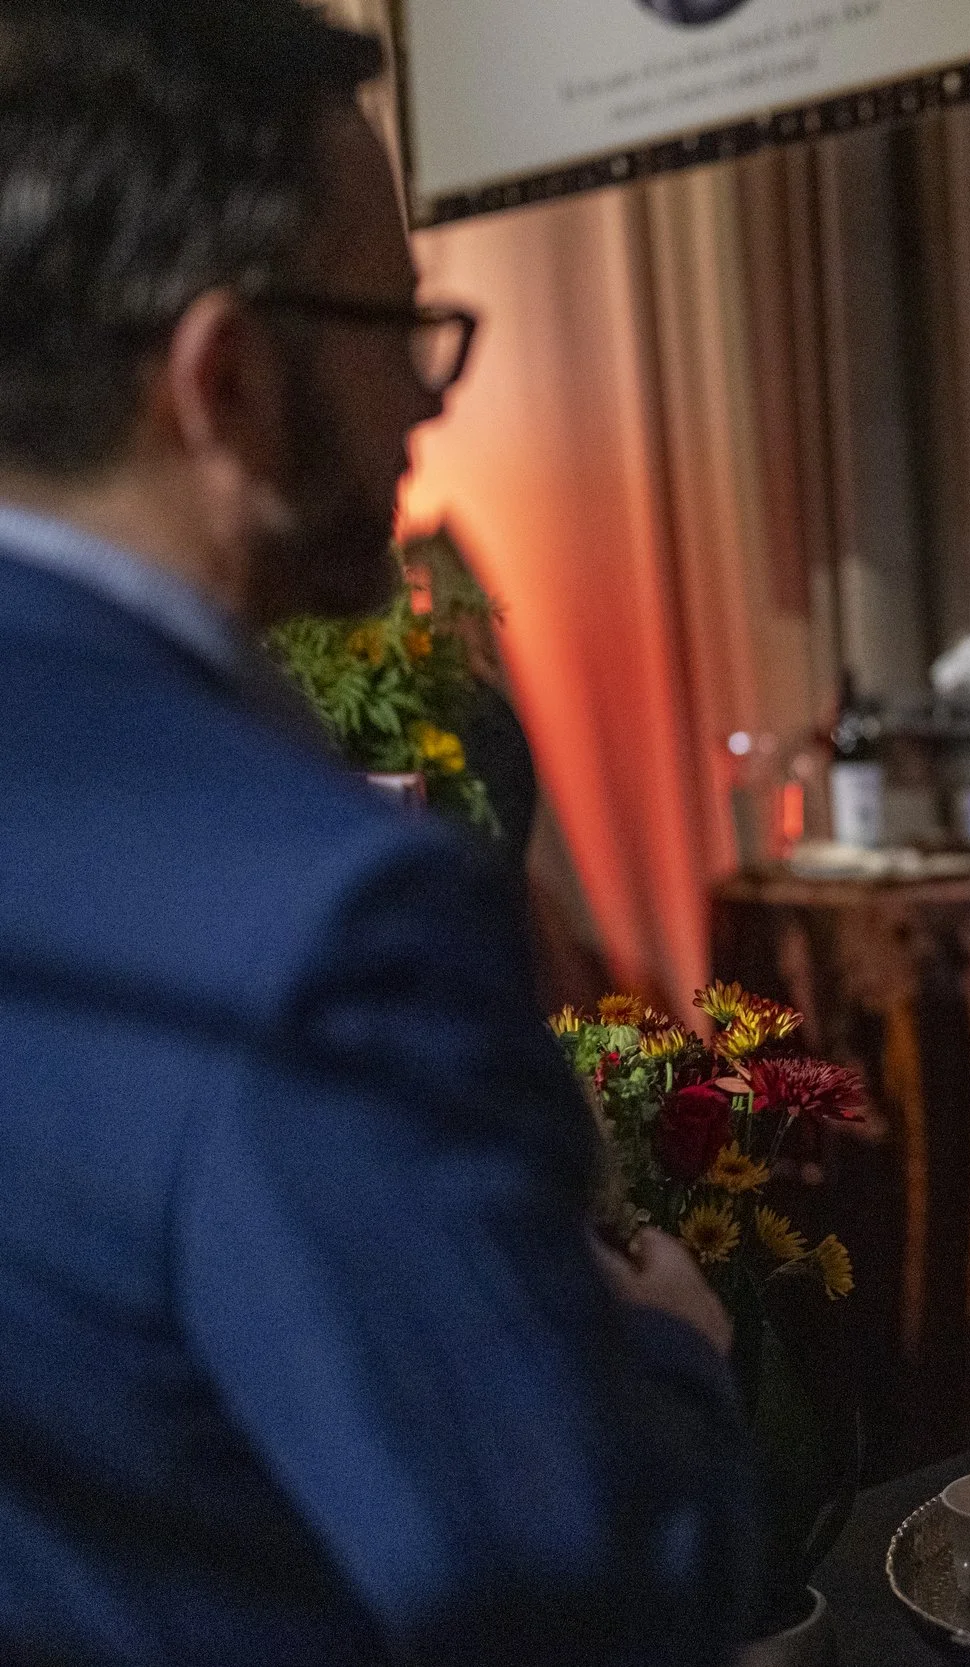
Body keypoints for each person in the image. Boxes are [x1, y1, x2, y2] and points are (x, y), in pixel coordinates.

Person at [0, 5, 753, 1662]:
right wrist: (676, 1359)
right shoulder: (323, 915)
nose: (426, 384)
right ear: (226, 377)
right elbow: (572, 1587)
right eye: (397, 320)